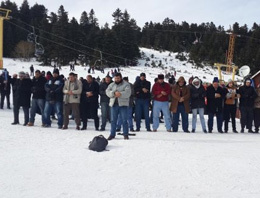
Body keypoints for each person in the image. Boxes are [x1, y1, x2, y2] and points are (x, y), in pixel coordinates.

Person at [106, 73, 131, 140]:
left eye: (118, 78)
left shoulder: (126, 84)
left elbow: (128, 93)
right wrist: (113, 93)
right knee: (113, 120)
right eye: (115, 78)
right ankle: (112, 134)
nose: (116, 79)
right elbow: (107, 91)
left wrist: (120, 94)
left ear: (121, 78)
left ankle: (125, 134)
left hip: (123, 105)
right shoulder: (111, 84)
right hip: (114, 104)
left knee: (124, 120)